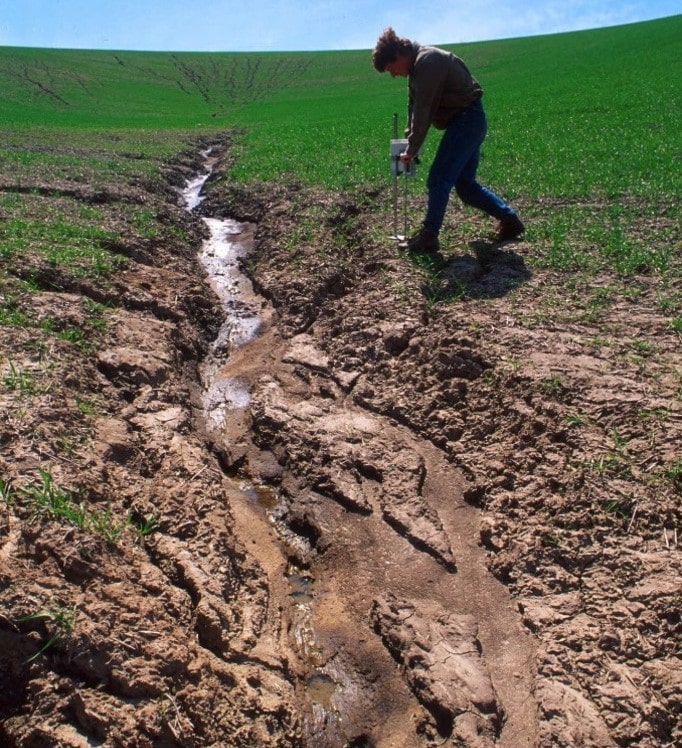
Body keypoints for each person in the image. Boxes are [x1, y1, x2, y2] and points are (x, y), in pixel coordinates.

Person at [372, 27, 525, 254]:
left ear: (398, 56)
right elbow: (413, 111)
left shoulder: (428, 62)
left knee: (439, 178)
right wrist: (407, 144)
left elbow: (424, 110)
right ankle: (510, 220)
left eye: (390, 69)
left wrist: (412, 149)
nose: (393, 74)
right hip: (464, 122)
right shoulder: (416, 70)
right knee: (465, 187)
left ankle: (429, 236)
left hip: (467, 120)